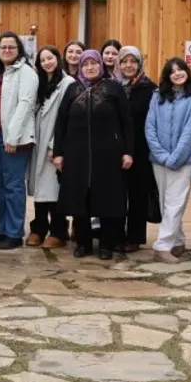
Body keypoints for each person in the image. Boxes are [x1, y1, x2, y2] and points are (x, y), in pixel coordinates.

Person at [54, 50, 133, 258]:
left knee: (107, 199)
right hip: (76, 155)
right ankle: (83, 243)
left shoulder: (113, 88)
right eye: (85, 64)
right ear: (80, 67)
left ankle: (106, 244)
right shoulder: (72, 89)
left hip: (108, 155)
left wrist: (128, 152)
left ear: (101, 65)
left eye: (94, 63)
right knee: (79, 199)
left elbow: (127, 122)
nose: (90, 67)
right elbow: (61, 122)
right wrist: (58, 153)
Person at [145, 57, 191, 262]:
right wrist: (162, 155)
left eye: (181, 69)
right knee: (165, 202)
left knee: (176, 202)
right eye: (173, 71)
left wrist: (176, 158)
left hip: (183, 160)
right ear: (167, 76)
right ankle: (177, 240)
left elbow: (190, 130)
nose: (177, 74)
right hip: (158, 159)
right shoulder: (157, 96)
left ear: (187, 71)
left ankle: (162, 246)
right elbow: (150, 127)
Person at [0, 31, 39, 249]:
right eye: (3, 47)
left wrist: (12, 137)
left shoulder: (26, 73)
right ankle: (2, 228)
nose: (7, 50)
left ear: (19, 50)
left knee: (13, 185)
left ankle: (14, 232)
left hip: (14, 139)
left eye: (11, 47)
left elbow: (25, 105)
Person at [28, 46, 74, 248]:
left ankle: (58, 231)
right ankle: (38, 228)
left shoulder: (67, 83)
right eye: (43, 60)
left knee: (54, 189)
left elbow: (66, 117)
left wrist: (55, 147)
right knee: (40, 189)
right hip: (37, 143)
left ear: (58, 59)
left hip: (54, 143)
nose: (47, 62)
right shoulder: (39, 83)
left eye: (50, 58)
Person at [119, 46, 159, 253]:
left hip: (141, 149)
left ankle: (134, 238)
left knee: (137, 195)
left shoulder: (150, 89)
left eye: (133, 61)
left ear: (139, 63)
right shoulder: (115, 86)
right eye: (124, 61)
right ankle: (116, 234)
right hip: (117, 148)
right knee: (117, 194)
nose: (128, 65)